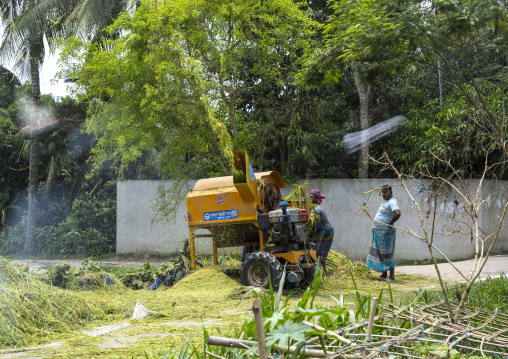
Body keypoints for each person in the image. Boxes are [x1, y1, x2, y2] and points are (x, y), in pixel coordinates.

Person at [366, 185, 401, 283]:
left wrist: (390, 224)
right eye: (383, 192)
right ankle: (384, 274)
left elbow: (397, 213)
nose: (384, 194)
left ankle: (392, 277)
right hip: (378, 231)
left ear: (391, 192)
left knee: (387, 254)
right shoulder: (387, 202)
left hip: (385, 232)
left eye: (386, 192)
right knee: (381, 254)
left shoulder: (392, 202)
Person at [309, 189, 334, 273]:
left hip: (324, 231)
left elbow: (317, 225)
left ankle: (315, 272)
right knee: (322, 252)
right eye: (309, 196)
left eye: (312, 197)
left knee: (314, 251)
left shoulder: (316, 209)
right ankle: (324, 271)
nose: (309, 198)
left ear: (316, 199)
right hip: (329, 230)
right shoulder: (317, 208)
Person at [241, 162, 260, 262]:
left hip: (259, 216)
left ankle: (258, 260)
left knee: (259, 241)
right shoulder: (247, 184)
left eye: (255, 171)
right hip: (248, 215)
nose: (253, 173)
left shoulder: (260, 183)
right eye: (251, 171)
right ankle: (245, 260)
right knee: (248, 240)